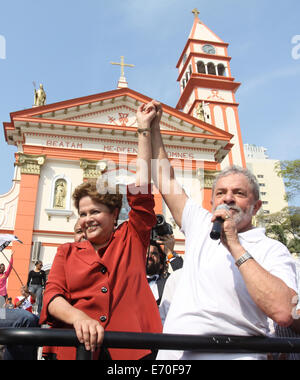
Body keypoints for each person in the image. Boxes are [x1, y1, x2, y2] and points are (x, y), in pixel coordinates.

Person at [145, 100, 298, 360]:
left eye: (238, 193)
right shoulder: (201, 224)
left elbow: (284, 311)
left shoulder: (272, 250)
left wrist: (235, 246)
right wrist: (153, 128)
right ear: (213, 201)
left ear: (256, 206)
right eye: (221, 193)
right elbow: (165, 178)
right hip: (175, 359)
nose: (228, 199)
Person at [39, 102, 162, 360]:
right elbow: (51, 296)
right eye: (82, 214)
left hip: (130, 352)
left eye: (94, 212)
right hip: (74, 351)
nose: (87, 220)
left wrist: (143, 129)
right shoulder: (67, 252)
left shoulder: (131, 238)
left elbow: (141, 188)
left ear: (114, 214)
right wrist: (78, 317)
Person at [146, 241, 169, 306]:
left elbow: (184, 279)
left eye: (154, 254)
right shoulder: (130, 281)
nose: (149, 256)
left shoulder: (168, 282)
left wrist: (170, 253)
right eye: (146, 253)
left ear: (161, 264)